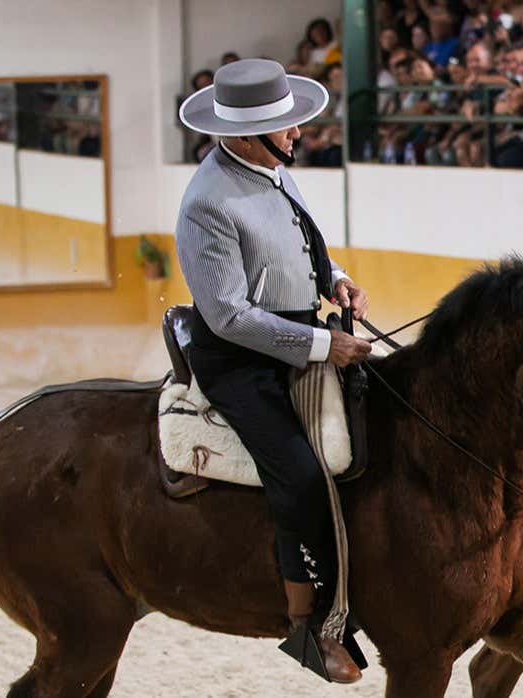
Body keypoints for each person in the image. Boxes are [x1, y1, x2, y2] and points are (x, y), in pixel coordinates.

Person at [174, 59, 373, 684]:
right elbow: (230, 315)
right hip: (240, 361)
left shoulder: (272, 168)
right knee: (300, 475)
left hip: (301, 335)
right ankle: (308, 627)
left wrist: (336, 278)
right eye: (284, 126)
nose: (296, 133)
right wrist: (320, 345)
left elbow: (298, 242)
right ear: (243, 135)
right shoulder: (207, 203)